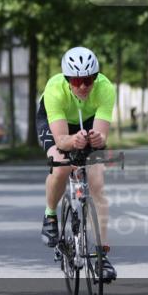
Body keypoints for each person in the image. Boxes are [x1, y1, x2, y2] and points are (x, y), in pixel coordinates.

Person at [37, 46, 117, 282]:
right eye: (76, 80)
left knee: (97, 183)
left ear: (95, 78)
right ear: (67, 79)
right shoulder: (55, 90)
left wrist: (96, 140)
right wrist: (73, 141)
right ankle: (50, 215)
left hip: (88, 120)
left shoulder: (105, 88)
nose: (83, 86)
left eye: (88, 80)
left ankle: (102, 256)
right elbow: (61, 140)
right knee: (61, 165)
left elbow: (102, 136)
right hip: (56, 124)